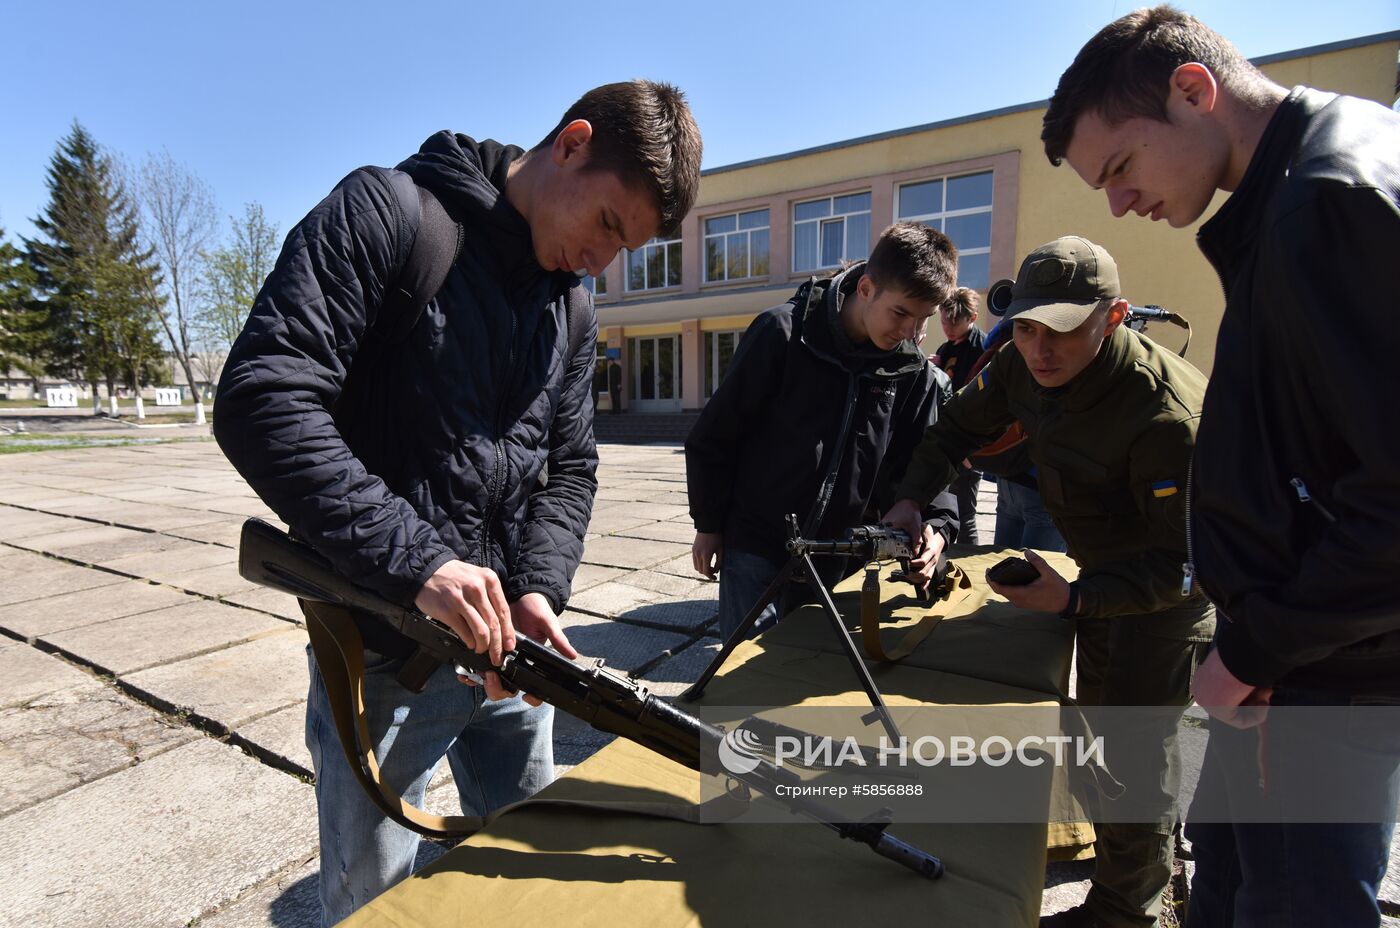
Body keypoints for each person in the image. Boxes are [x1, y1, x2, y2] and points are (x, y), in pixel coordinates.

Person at [213, 81, 702, 927]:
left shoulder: (573, 304)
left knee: (530, 875)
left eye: (627, 248)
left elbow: (570, 466)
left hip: (510, 658)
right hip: (381, 660)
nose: (602, 263)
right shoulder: (391, 214)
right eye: (609, 227)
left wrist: (541, 588)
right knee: (374, 904)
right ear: (572, 144)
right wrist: (422, 564)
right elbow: (265, 395)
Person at [1043, 8, 1400, 926]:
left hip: (1320, 673)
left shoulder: (1325, 197)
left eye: (1119, 168)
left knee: (1294, 905)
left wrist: (1251, 649)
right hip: (1297, 662)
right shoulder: (1310, 178)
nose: (1120, 206)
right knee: (1233, 888)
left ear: (1192, 91)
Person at [883, 236, 1216, 928]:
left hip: (1163, 605)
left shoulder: (1166, 418)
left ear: (1115, 317)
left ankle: (1134, 913)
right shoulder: (1019, 363)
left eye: (1062, 329)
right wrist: (913, 498)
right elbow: (953, 430)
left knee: (1133, 762)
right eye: (1028, 327)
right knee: (1099, 746)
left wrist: (1074, 600)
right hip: (1101, 579)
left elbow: (1187, 569)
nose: (1041, 349)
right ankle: (1143, 881)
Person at [687, 221, 961, 642]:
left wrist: (938, 525)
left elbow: (926, 458)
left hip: (838, 558)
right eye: (901, 313)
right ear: (866, 288)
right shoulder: (781, 333)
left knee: (807, 675)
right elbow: (718, 433)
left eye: (923, 319)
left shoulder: (910, 370)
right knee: (740, 684)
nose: (910, 333)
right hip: (755, 546)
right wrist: (709, 523)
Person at [970, 316, 1067, 554]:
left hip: (1009, 473)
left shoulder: (1012, 338)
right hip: (1041, 482)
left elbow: (989, 342)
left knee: (1002, 570)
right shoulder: (1061, 347)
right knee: (1038, 577)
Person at [932, 286, 986, 544]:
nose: (948, 328)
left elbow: (983, 403)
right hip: (946, 442)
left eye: (955, 322)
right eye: (944, 321)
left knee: (965, 514)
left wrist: (969, 448)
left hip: (968, 444)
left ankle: (970, 568)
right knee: (945, 510)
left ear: (973, 318)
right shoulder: (946, 348)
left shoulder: (982, 348)